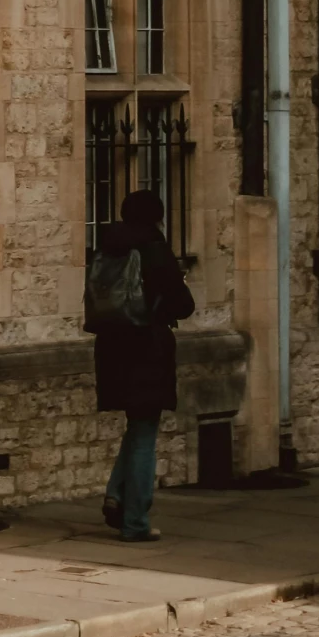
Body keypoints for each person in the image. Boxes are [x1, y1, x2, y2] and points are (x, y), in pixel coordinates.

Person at [86, 188, 194, 542]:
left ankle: (117, 494)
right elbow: (183, 305)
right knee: (146, 432)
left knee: (136, 427)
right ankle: (135, 522)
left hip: (112, 345)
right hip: (146, 347)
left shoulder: (106, 246)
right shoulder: (154, 248)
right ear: (156, 217)